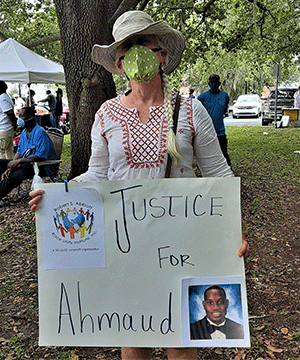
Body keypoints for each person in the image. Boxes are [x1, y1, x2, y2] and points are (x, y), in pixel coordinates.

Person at [29, 10, 249, 360]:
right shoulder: (106, 115)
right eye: (125, 48)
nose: (134, 52)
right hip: (127, 246)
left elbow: (218, 174)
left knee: (180, 341)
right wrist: (56, 195)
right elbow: (97, 177)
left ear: (161, 53)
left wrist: (234, 230)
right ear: (118, 65)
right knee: (134, 335)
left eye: (142, 42)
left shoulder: (190, 110)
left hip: (182, 242)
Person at [0, 106, 57, 205]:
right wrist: (11, 165)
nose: (20, 119)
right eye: (19, 116)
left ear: (31, 117)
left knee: (18, 172)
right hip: (28, 163)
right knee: (1, 164)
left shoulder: (40, 132)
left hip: (43, 166)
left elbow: (40, 156)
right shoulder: (23, 133)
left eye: (22, 116)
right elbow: (19, 152)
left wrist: (18, 162)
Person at [198, 74, 231, 167]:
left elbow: (224, 110)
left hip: (220, 132)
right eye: (212, 82)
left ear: (219, 83)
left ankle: (227, 170)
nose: (214, 84)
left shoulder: (224, 96)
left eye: (216, 82)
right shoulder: (202, 97)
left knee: (223, 152)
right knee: (207, 154)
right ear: (209, 83)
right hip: (207, 131)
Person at [0, 80, 17, 159]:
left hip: (4, 128)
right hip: (7, 128)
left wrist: (14, 124)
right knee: (8, 151)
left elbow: (9, 112)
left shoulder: (2, 98)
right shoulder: (5, 96)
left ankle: (4, 169)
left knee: (2, 151)